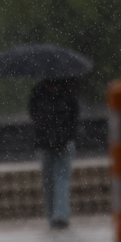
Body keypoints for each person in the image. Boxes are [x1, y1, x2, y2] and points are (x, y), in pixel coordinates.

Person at [28, 77, 79, 229]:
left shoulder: (39, 94)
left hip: (59, 143)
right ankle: (56, 215)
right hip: (50, 144)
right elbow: (74, 115)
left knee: (56, 178)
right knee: (52, 179)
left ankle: (59, 215)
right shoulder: (65, 92)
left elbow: (73, 116)